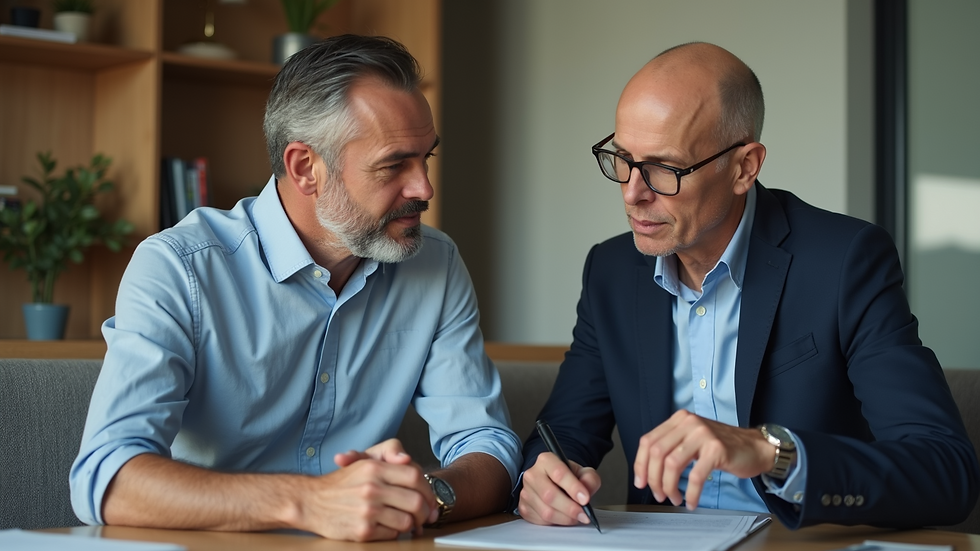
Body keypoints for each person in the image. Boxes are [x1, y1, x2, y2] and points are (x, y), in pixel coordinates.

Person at [70, 34, 521, 542]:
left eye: (426, 158)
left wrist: (425, 496)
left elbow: (488, 446)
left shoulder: (435, 264)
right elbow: (108, 480)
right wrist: (309, 503)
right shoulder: (179, 268)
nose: (424, 189)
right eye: (394, 165)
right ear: (305, 167)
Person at [518, 42, 979, 529]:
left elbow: (945, 472)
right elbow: (559, 437)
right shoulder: (610, 271)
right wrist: (544, 480)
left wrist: (772, 451)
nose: (633, 191)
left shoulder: (845, 262)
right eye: (622, 158)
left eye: (664, 169)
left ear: (744, 167)